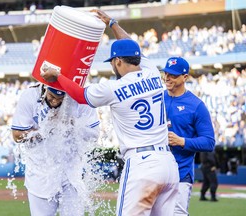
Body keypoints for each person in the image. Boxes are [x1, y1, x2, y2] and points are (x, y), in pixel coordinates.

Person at [41, 9, 179, 216]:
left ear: (118, 62)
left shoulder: (113, 88)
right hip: (168, 163)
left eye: (114, 62)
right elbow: (133, 49)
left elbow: (79, 95)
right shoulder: (152, 72)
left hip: (142, 164)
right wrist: (113, 23)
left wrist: (58, 76)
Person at [11, 83, 100, 216]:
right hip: (40, 172)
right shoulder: (30, 96)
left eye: (61, 98)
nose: (55, 101)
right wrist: (44, 130)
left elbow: (94, 134)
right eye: (52, 96)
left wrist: (72, 124)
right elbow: (17, 135)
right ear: (45, 88)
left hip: (71, 173)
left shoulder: (79, 97)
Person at [161, 56, 215, 215]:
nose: (167, 78)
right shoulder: (156, 98)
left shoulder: (196, 105)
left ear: (185, 77)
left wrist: (182, 141)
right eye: (166, 73)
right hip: (155, 171)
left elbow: (209, 142)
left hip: (181, 173)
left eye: (173, 75)